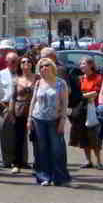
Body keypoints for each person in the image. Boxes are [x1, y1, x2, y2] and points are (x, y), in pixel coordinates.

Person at [29, 58, 71, 186]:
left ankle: (60, 178)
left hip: (55, 120)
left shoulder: (61, 83)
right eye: (41, 66)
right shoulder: (38, 83)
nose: (44, 68)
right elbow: (33, 101)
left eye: (46, 65)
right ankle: (44, 177)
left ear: (52, 67)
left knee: (57, 149)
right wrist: (29, 118)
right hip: (38, 119)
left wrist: (62, 120)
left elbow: (64, 104)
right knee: (41, 149)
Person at [71, 56, 103, 169]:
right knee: (83, 136)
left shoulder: (98, 77)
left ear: (90, 65)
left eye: (83, 64)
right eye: (81, 64)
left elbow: (96, 93)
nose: (81, 66)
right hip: (81, 110)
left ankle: (99, 161)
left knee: (94, 136)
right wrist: (83, 96)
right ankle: (88, 160)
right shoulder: (80, 78)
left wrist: (81, 96)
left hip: (93, 109)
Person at [9, 55, 36, 173]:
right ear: (20, 65)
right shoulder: (16, 80)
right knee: (18, 138)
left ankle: (38, 162)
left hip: (35, 110)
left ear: (32, 64)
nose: (26, 63)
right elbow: (12, 98)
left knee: (36, 137)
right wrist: (11, 112)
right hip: (19, 109)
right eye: (23, 62)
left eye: (28, 61)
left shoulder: (38, 78)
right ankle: (17, 163)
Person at [0, 51, 19, 169]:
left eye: (16, 61)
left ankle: (21, 160)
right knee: (6, 134)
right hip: (5, 106)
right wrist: (2, 106)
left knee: (20, 133)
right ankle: (7, 160)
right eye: (12, 61)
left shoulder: (22, 73)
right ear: (7, 62)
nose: (15, 63)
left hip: (20, 106)